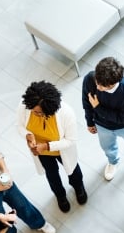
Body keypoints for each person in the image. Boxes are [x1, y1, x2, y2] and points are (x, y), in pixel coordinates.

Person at [17, 80, 87, 213]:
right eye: (34, 112)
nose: (36, 114)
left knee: (73, 170)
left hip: (61, 150)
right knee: (52, 174)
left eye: (40, 113)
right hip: (40, 151)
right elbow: (19, 126)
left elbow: (71, 140)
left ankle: (79, 188)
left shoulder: (66, 113)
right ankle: (60, 196)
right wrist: (28, 136)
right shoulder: (25, 105)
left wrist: (47, 146)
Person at [82, 56, 124, 182]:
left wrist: (98, 108)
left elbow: (122, 118)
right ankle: (113, 161)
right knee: (107, 146)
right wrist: (89, 122)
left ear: (113, 83)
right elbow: (86, 102)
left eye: (103, 86)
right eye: (97, 83)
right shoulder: (91, 78)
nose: (98, 87)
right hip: (101, 124)